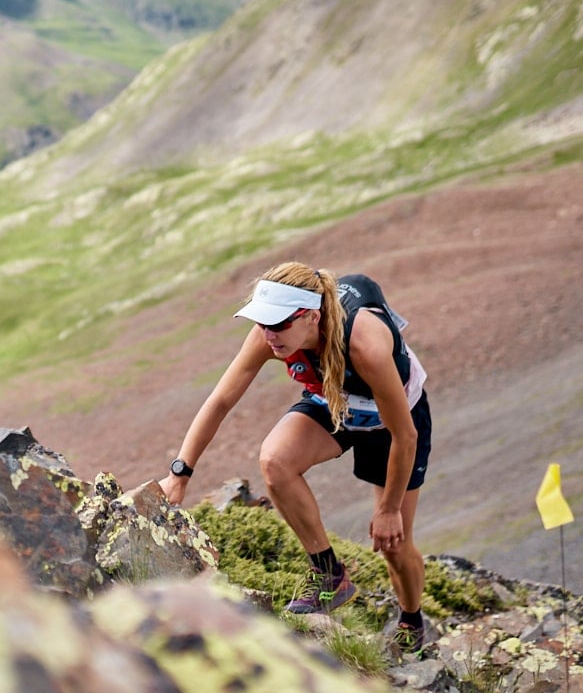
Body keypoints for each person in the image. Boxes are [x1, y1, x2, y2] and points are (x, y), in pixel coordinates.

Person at [158, 261, 433, 657]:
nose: (268, 335)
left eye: (278, 325)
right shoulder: (269, 337)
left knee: (395, 545)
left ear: (310, 318)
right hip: (333, 403)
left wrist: (388, 509)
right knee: (275, 460)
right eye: (263, 323)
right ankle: (328, 574)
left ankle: (411, 620)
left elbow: (405, 435)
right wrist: (179, 473)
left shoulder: (365, 346)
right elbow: (220, 401)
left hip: (394, 422)